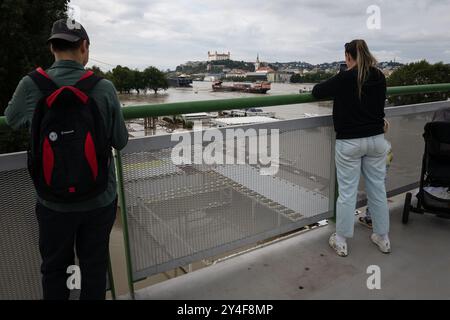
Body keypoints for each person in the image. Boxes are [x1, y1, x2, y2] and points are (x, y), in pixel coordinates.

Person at [4, 19, 128, 299]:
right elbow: (120, 140)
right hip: (99, 199)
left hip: (52, 201)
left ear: (52, 47)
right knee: (94, 268)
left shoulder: (31, 84)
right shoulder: (103, 87)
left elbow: (11, 120)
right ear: (84, 47)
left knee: (55, 269)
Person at [312, 39, 391, 257]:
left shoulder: (345, 77)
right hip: (376, 139)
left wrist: (341, 74)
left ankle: (341, 240)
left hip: (350, 142)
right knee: (377, 189)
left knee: (347, 193)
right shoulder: (379, 76)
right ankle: (382, 238)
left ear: (348, 57)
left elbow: (317, 91)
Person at [358, 120, 393, 228]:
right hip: (382, 173)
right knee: (379, 195)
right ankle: (379, 221)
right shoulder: (387, 145)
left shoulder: (370, 146)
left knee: (372, 194)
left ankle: (370, 219)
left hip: (374, 173)